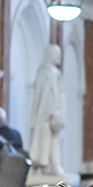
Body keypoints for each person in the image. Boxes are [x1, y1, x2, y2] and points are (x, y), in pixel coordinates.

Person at [29, 44, 65, 176]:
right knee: (43, 145)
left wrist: (59, 114)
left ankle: (54, 166)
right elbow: (40, 97)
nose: (59, 57)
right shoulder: (43, 72)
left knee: (54, 143)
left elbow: (60, 97)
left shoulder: (56, 73)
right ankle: (42, 167)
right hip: (44, 115)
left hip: (55, 115)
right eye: (57, 54)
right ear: (50, 55)